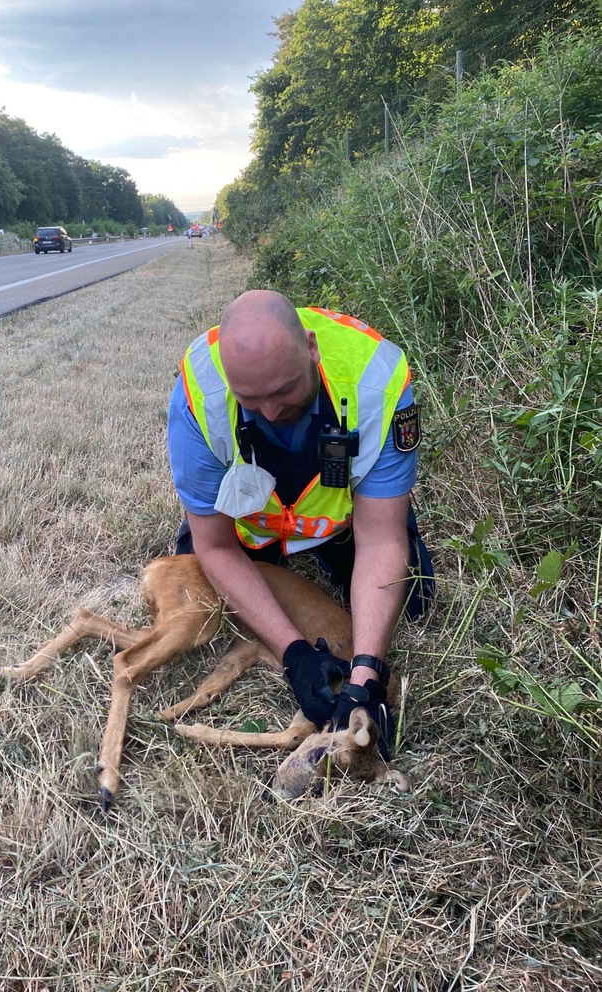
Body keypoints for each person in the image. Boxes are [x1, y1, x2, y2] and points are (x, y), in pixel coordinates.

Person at [167, 290, 434, 756]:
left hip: (344, 525)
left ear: (311, 349)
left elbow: (380, 540)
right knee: (196, 584)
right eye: (251, 399)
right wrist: (295, 656)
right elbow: (216, 547)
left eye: (285, 391)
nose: (270, 411)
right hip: (248, 526)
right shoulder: (198, 394)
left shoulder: (378, 381)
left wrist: (365, 678)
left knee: (413, 600)